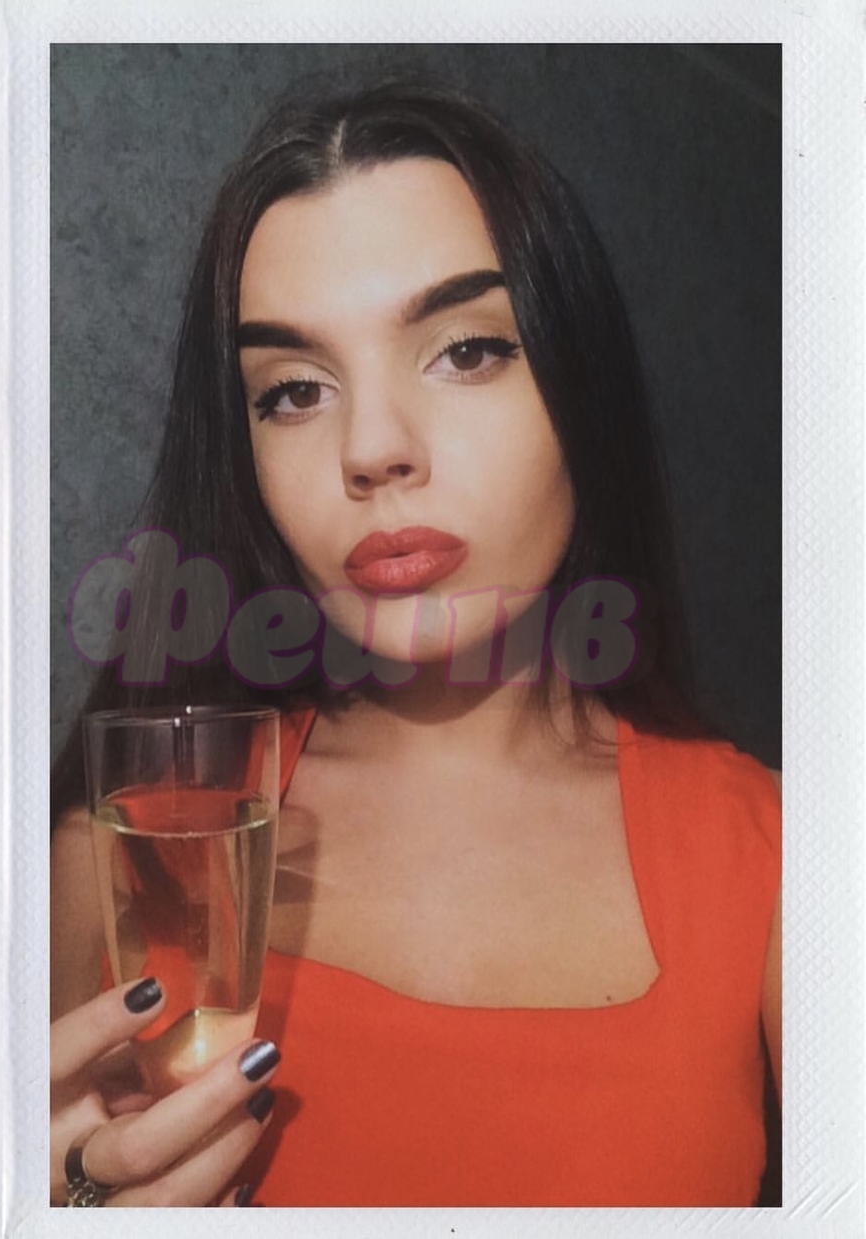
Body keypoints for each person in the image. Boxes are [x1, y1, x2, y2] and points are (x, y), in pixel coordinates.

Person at [50, 78, 781, 1207]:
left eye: (467, 351)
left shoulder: (778, 864)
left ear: (578, 384)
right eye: (294, 390)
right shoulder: (139, 850)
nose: (373, 448)